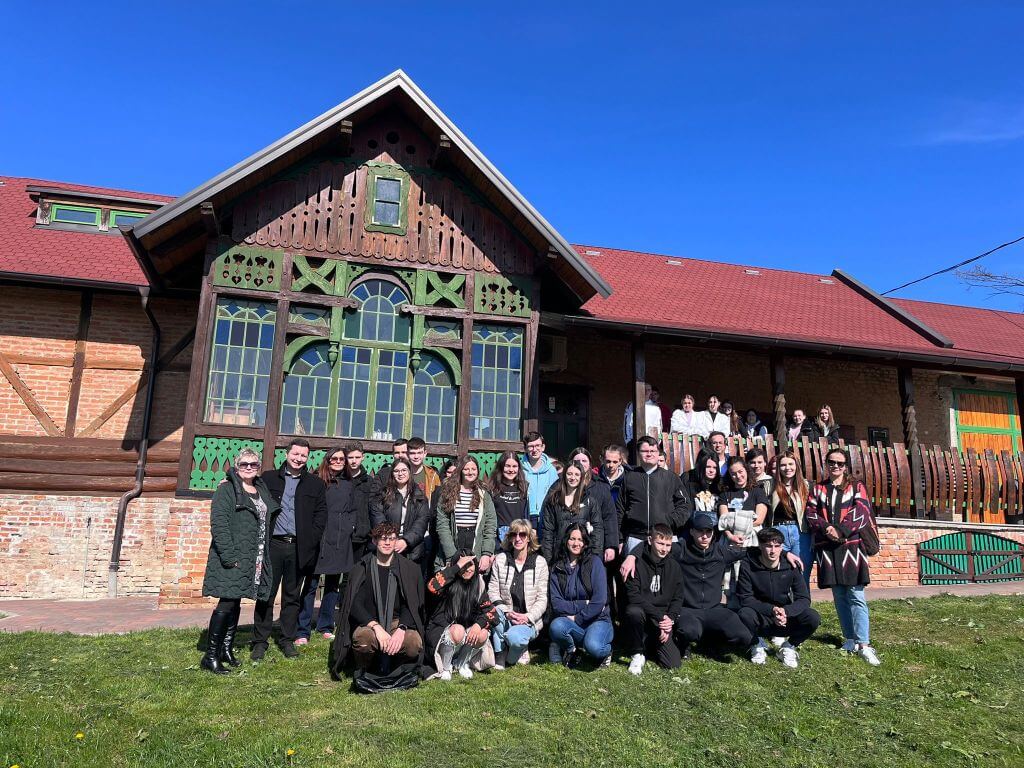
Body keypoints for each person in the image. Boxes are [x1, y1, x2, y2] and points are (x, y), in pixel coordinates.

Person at [622, 512, 752, 660]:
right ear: (691, 531)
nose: (704, 536)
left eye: (708, 532)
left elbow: (750, 552)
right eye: (700, 531)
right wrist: (632, 556)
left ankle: (711, 642)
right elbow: (652, 543)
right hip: (687, 609)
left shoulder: (721, 552)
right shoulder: (681, 549)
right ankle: (684, 644)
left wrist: (783, 554)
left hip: (714, 608)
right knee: (689, 631)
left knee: (744, 637)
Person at [200, 448, 280, 674]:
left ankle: (226, 649)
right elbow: (219, 524)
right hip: (233, 556)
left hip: (253, 556)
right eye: (244, 464)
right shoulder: (226, 490)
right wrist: (229, 556)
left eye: (253, 464)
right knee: (225, 603)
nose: (249, 468)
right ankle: (210, 655)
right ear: (237, 467)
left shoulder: (260, 490)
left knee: (235, 602)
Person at [254, 439, 328, 659]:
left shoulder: (315, 484)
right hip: (273, 546)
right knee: (265, 594)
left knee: (292, 597)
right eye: (295, 454)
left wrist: (311, 538)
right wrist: (227, 481)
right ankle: (260, 641)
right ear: (286, 454)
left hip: (298, 547)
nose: (299, 459)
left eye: (303, 455)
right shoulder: (267, 478)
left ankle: (287, 640)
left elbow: (321, 515)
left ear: (308, 458)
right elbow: (245, 485)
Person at [806, 448, 880, 666]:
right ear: (826, 464)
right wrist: (827, 527)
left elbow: (862, 511)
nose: (835, 466)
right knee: (839, 595)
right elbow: (811, 513)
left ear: (846, 466)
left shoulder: (856, 487)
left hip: (852, 547)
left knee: (856, 594)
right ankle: (849, 639)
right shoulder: (818, 488)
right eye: (831, 462)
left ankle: (864, 643)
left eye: (839, 463)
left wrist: (841, 530)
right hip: (828, 549)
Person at [329, 522, 425, 676]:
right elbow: (355, 605)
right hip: (369, 622)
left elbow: (412, 603)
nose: (387, 543)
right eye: (383, 538)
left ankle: (398, 667)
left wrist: (401, 628)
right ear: (375, 541)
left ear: (396, 541)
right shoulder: (362, 568)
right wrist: (377, 627)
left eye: (392, 539)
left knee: (413, 642)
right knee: (363, 638)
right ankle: (366, 666)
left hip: (397, 620)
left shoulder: (409, 568)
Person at [297, 445, 363, 643]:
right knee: (311, 584)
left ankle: (325, 624)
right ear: (327, 460)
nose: (337, 462)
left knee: (333, 585)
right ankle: (302, 629)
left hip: (340, 539)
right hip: (318, 538)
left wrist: (349, 527)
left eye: (341, 460)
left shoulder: (348, 483)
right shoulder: (315, 479)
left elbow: (353, 509)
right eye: (334, 459)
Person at [736, 527, 821, 668]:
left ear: (782, 547)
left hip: (785, 618)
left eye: (777, 546)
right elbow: (746, 598)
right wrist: (772, 610)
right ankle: (756, 644)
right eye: (768, 546)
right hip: (761, 616)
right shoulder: (747, 566)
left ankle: (789, 646)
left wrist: (786, 612)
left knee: (812, 617)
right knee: (744, 613)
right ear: (760, 546)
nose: (773, 550)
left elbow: (804, 599)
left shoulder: (791, 566)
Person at [623, 524, 686, 675]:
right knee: (633, 612)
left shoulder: (675, 567)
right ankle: (637, 653)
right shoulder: (636, 563)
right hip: (644, 615)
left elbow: (678, 598)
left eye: (668, 545)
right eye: (660, 543)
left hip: (662, 620)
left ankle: (649, 644)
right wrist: (661, 617)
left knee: (673, 664)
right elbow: (634, 597)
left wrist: (669, 621)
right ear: (650, 540)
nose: (664, 549)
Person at [548, 524, 613, 668]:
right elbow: (557, 603)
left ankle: (606, 651)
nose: (576, 543)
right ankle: (572, 650)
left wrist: (578, 617)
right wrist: (584, 604)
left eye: (580, 539)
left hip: (598, 619)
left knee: (594, 648)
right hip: (570, 620)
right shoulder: (557, 568)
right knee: (556, 626)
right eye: (572, 539)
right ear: (566, 541)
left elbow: (599, 601)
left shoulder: (595, 563)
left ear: (585, 543)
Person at [488, 520, 549, 669]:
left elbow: (542, 599)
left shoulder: (540, 563)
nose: (518, 538)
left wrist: (527, 617)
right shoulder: (501, 560)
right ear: (509, 537)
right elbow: (492, 590)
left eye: (522, 534)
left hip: (528, 620)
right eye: (514, 534)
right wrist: (507, 612)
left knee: (514, 638)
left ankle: (516, 650)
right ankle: (500, 654)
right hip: (506, 615)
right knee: (494, 614)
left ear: (529, 538)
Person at [426, 553, 497, 679]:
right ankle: (446, 667)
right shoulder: (448, 580)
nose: (468, 568)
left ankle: (461, 663)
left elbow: (492, 613)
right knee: (457, 630)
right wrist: (456, 567)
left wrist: (477, 625)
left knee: (483, 633)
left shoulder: (478, 584)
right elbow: (432, 586)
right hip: (443, 634)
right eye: (463, 565)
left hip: (465, 638)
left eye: (471, 564)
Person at [617, 436, 692, 555]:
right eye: (645, 451)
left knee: (667, 573)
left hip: (665, 539)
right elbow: (620, 510)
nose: (649, 454)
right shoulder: (629, 477)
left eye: (653, 451)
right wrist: (620, 538)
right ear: (638, 453)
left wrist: (670, 521)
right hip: (636, 538)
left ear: (658, 453)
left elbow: (685, 505)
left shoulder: (671, 477)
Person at [434, 455, 497, 572]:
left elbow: (490, 525)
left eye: (473, 469)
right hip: (454, 542)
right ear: (460, 470)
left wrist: (486, 553)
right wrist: (452, 555)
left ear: (478, 471)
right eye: (466, 469)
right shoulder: (447, 492)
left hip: (475, 543)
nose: (470, 472)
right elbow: (442, 525)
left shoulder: (484, 494)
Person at [369, 457, 431, 565]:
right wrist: (391, 540)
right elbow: (378, 518)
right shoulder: (382, 494)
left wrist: (406, 541)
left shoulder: (419, 495)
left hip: (413, 550)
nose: (400, 474)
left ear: (409, 472)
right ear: (392, 473)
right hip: (387, 546)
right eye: (396, 471)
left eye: (404, 470)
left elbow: (421, 522)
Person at [541, 461, 605, 563]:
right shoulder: (553, 501)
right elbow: (547, 532)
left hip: (583, 558)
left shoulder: (590, 501)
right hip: (559, 557)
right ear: (564, 475)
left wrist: (595, 558)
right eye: (569, 474)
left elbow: (597, 531)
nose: (573, 477)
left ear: (581, 477)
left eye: (577, 474)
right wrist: (548, 559)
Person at [769, 450, 813, 585]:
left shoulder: (806, 485)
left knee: (801, 574)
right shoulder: (769, 485)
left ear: (797, 466)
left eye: (791, 464)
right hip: (777, 533)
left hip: (800, 534)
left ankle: (802, 606)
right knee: (779, 575)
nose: (787, 468)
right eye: (783, 465)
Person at [572, 446, 618, 566]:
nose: (581, 464)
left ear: (590, 464)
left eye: (584, 461)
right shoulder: (560, 486)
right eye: (577, 461)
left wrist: (611, 546)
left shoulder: (601, 487)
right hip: (569, 544)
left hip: (595, 544)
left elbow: (609, 518)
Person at [520, 431, 559, 534]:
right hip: (526, 515)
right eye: (531, 446)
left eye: (538, 445)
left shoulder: (551, 470)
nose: (535, 449)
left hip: (546, 515)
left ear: (543, 447)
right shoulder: (520, 470)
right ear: (525, 448)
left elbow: (556, 495)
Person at [489, 450, 530, 546]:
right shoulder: (493, 488)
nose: (511, 470)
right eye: (507, 466)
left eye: (514, 466)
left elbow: (526, 515)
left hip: (519, 534)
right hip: (499, 536)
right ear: (501, 467)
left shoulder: (524, 487)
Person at [685, 450, 722, 515]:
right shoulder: (688, 478)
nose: (712, 470)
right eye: (708, 467)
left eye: (715, 467)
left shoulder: (720, 483)